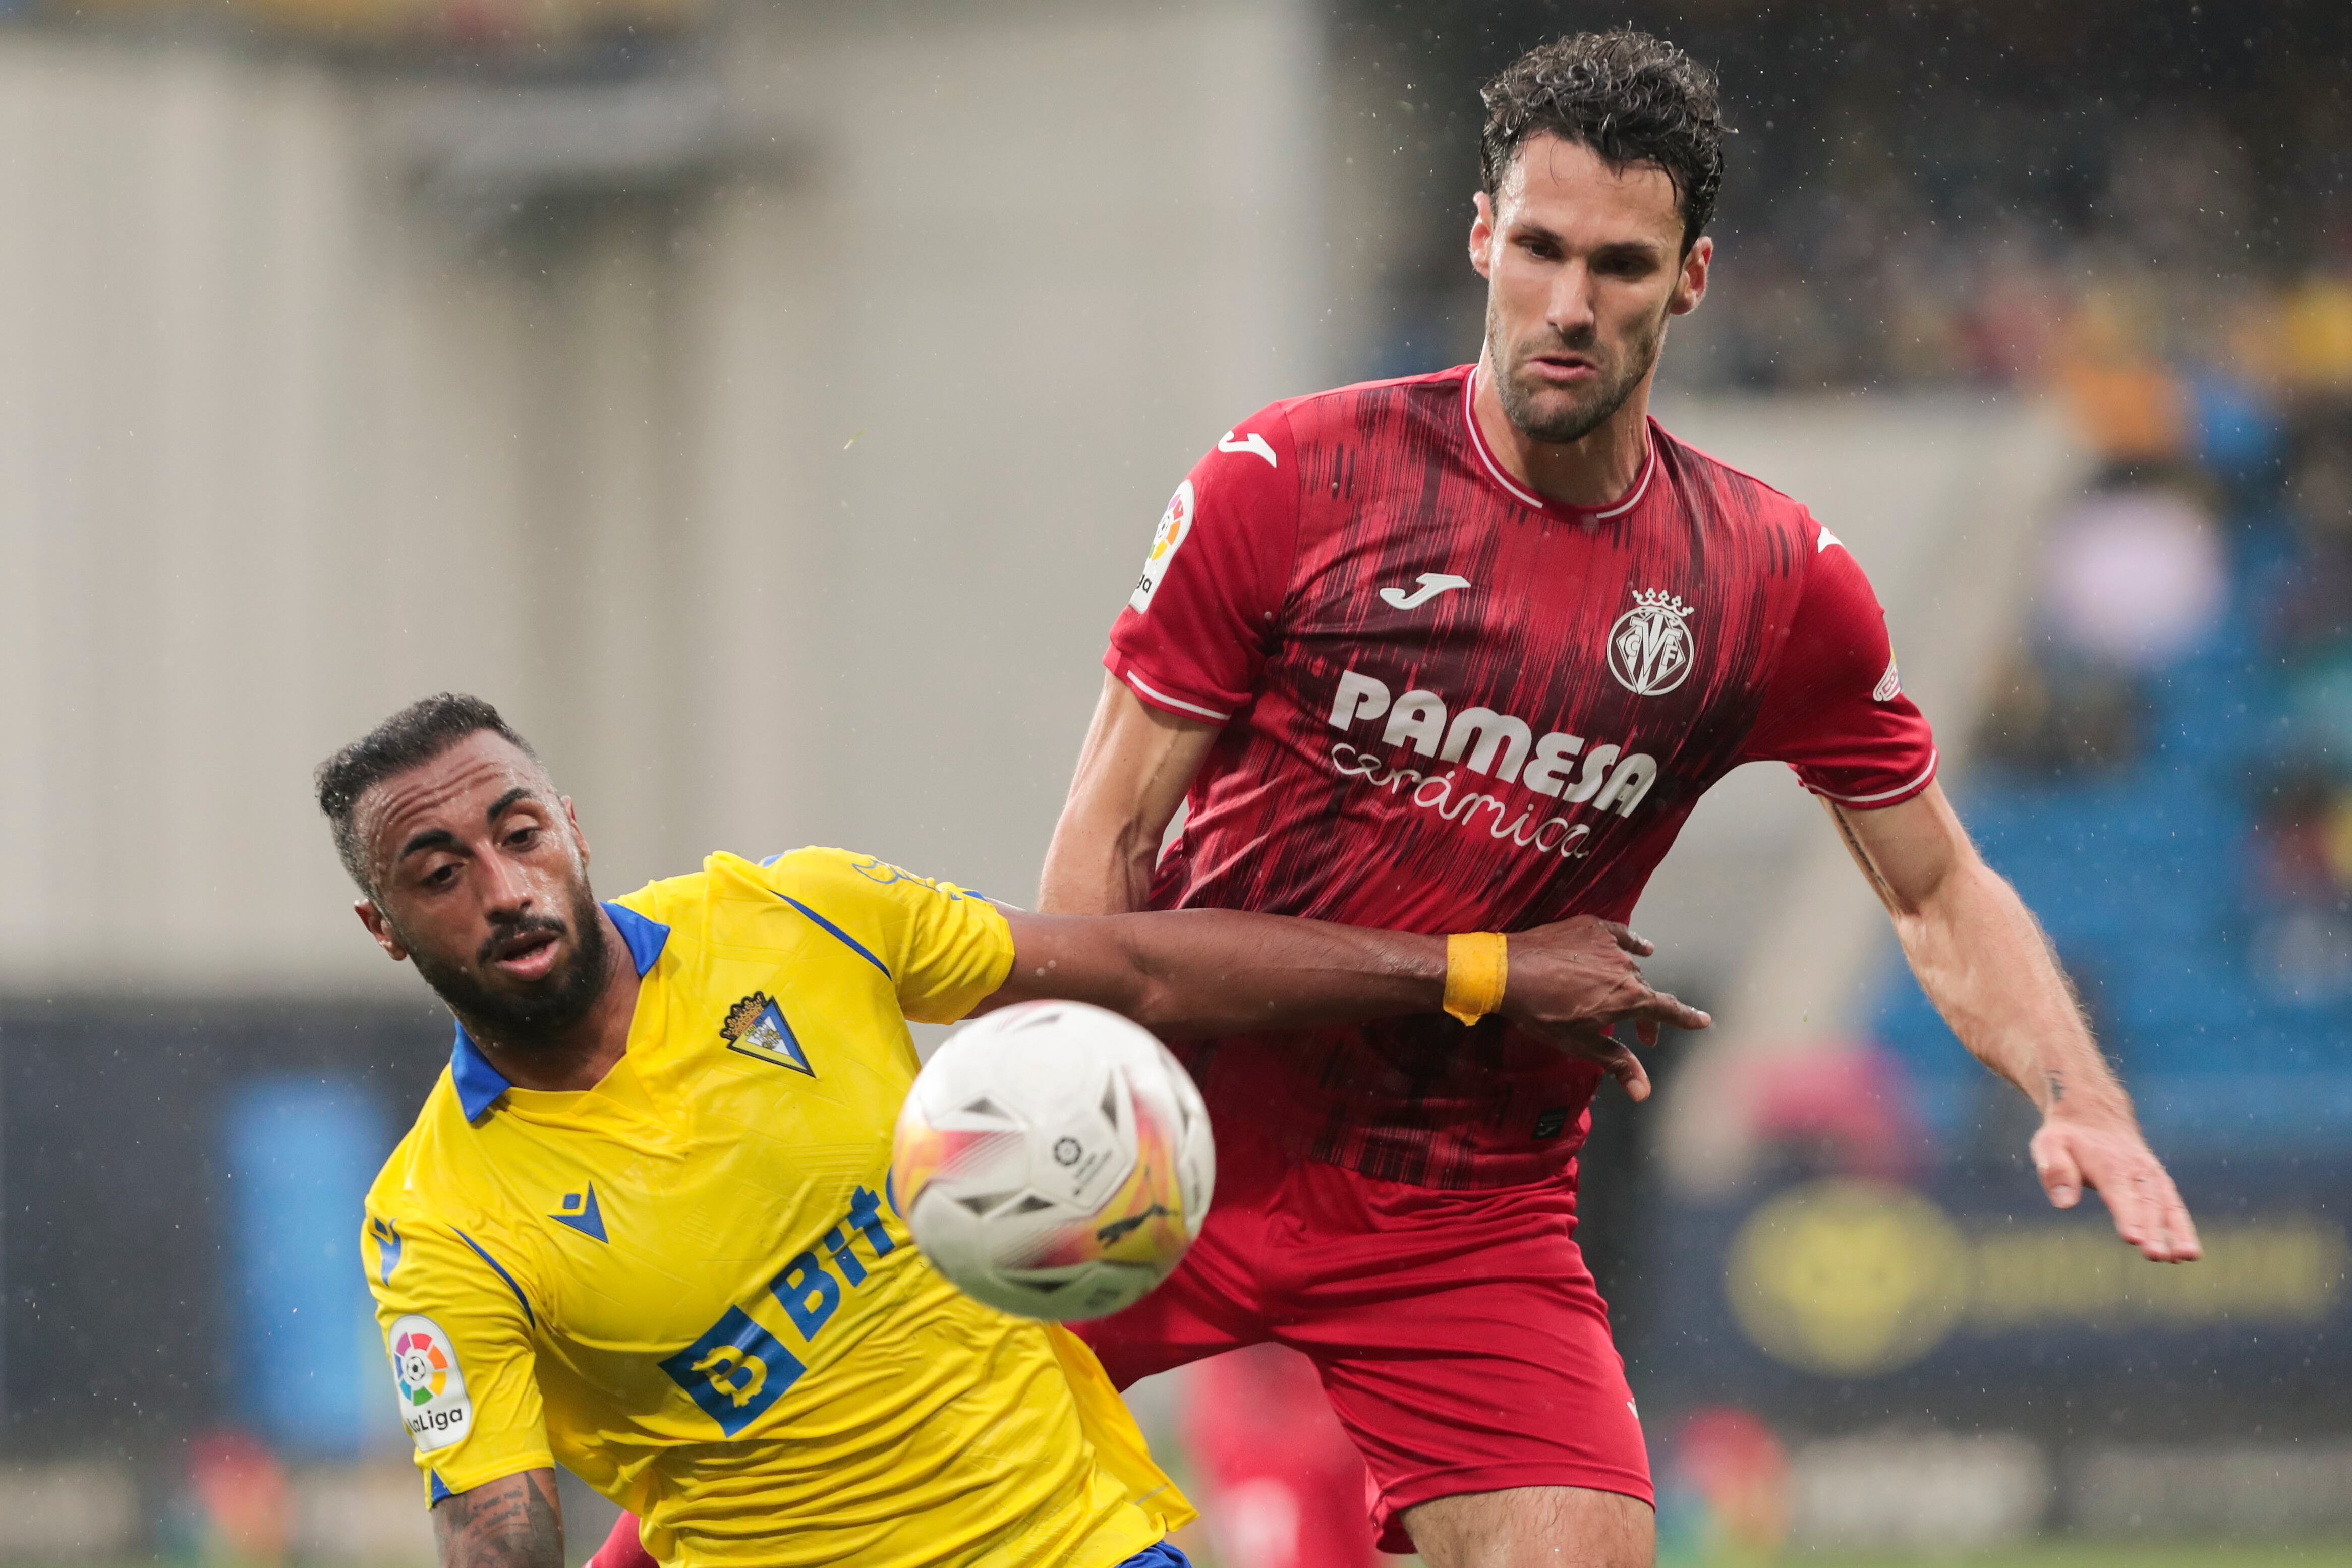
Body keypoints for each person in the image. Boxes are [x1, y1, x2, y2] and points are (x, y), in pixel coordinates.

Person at [1034, 29, 2203, 1568]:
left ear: (1692, 279)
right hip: (1185, 1144)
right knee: (805, 1483)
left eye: (1622, 265)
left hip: (1462, 1212)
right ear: (1481, 237)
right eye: (1540, 249)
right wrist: (1067, 1112)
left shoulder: (1770, 582)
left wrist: (2083, 1096)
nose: (1571, 305)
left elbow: (1932, 888)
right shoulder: (1288, 482)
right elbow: (1110, 831)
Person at [324, 692, 1706, 1568]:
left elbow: (1144, 967)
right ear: (386, 929)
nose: (502, 887)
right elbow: (495, 1526)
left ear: (570, 824)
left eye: (517, 832)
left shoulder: (795, 916)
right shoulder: (437, 1224)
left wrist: (1479, 972)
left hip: (1086, 1549)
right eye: (440, 874)